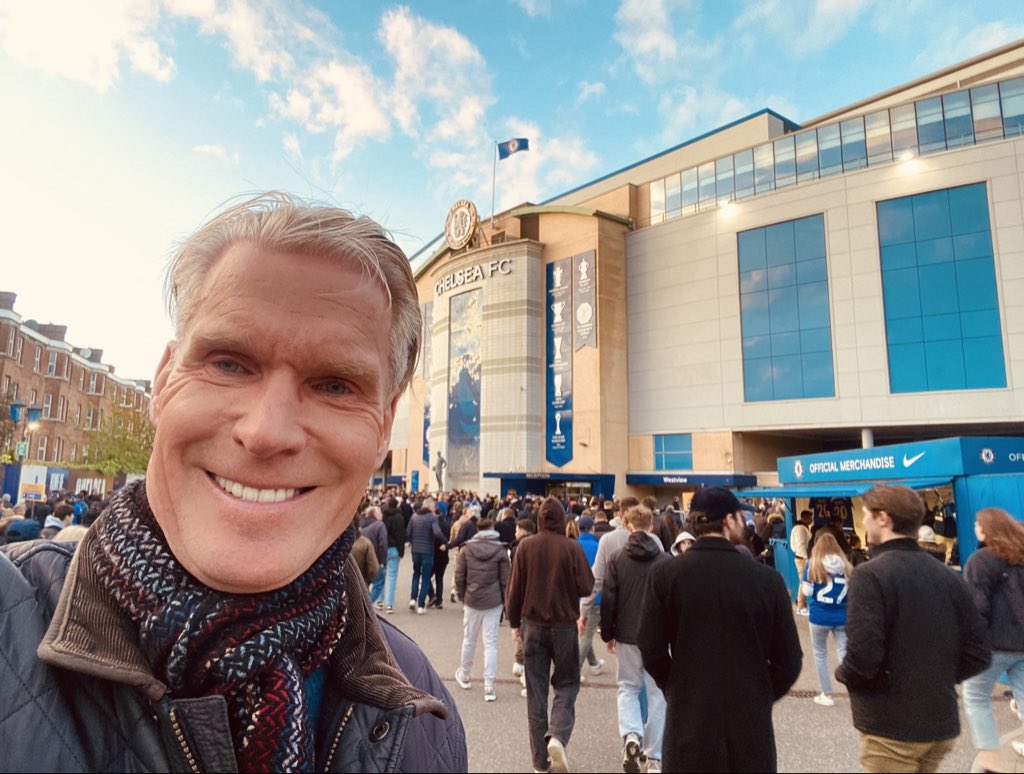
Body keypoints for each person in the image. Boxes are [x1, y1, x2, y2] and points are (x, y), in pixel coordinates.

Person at [0, 193, 467, 772]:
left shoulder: (422, 712)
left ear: (384, 430)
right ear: (164, 380)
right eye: (228, 363)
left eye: (335, 386)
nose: (266, 432)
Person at [638, 486, 801, 772]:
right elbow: (789, 660)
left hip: (690, 722)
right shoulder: (767, 581)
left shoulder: (666, 576)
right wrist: (760, 692)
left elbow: (650, 647)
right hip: (750, 727)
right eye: (740, 516)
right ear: (727, 521)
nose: (745, 523)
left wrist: (675, 686)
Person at [836, 484, 989, 773]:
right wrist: (938, 677)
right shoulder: (948, 576)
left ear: (884, 518)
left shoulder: (869, 575)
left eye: (867, 514)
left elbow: (863, 654)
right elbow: (979, 651)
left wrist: (845, 675)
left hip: (891, 726)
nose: (864, 522)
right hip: (939, 720)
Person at [506, 497, 595, 774]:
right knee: (567, 684)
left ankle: (539, 762)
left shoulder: (526, 547)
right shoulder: (571, 548)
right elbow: (586, 586)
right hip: (564, 625)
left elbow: (514, 589)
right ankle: (557, 734)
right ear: (562, 518)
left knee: (536, 691)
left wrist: (514, 622)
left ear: (539, 520)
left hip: (532, 625)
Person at [601, 505, 671, 773]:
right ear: (651, 526)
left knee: (628, 687)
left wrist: (608, 633)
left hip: (627, 634)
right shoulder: (665, 560)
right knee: (657, 694)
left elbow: (609, 600)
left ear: (628, 526)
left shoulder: (617, 558)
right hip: (658, 637)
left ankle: (631, 735)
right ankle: (654, 756)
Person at [961, 507, 1024, 772]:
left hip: (992, 646)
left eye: (977, 523)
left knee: (975, 697)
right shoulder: (1021, 558)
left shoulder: (980, 560)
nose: (975, 527)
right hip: (1022, 644)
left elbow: (975, 608)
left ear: (987, 528)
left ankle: (990, 758)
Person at [454, 518, 510, 703]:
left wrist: (463, 596)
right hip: (493, 601)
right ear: (493, 529)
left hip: (472, 599)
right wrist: (505, 602)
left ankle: (465, 674)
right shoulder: (501, 550)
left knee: (469, 640)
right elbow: (505, 580)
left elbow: (459, 575)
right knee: (491, 643)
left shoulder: (467, 549)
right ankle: (489, 686)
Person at [800, 532, 851, 707]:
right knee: (843, 652)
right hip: (842, 615)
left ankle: (827, 694)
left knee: (820, 654)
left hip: (819, 616)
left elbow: (807, 592)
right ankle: (854, 690)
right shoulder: (845, 565)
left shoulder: (812, 564)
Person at [576, 515, 605, 680]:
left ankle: (594, 663)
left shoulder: (573, 545)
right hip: (595, 596)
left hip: (575, 596)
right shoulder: (598, 546)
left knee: (584, 632)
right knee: (587, 634)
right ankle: (575, 669)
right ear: (592, 528)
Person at [406, 499, 447, 613]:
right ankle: (421, 605)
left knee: (416, 574)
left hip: (415, 551)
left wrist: (413, 542)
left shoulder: (414, 516)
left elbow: (408, 532)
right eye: (434, 507)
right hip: (427, 551)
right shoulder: (432, 518)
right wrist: (445, 541)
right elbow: (437, 532)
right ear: (429, 507)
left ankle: (413, 599)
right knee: (425, 577)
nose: (435, 509)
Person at [358, 504, 388, 606]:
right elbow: (383, 544)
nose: (382, 514)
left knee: (365, 585)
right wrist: (384, 561)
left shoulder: (362, 525)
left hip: (363, 559)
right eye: (380, 513)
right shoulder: (380, 525)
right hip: (376, 559)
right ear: (375, 514)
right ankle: (367, 607)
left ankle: (362, 605)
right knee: (379, 583)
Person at [791, 509, 812, 614]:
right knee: (803, 582)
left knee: (804, 582)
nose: (811, 520)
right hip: (802, 559)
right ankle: (801, 606)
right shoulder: (800, 528)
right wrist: (806, 558)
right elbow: (800, 545)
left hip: (802, 558)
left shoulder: (801, 527)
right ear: (805, 517)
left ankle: (802, 604)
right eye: (810, 518)